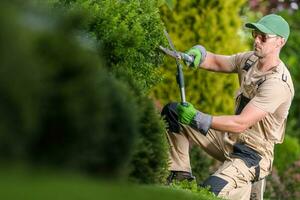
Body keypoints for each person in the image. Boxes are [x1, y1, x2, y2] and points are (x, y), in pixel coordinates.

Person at [161, 14, 294, 200]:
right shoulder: (249, 61)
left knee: (209, 191)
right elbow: (217, 61)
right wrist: (200, 55)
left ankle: (242, 190)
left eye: (263, 37)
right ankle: (180, 177)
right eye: (255, 34)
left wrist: (197, 118)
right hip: (229, 140)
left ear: (280, 42)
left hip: (252, 155)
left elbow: (241, 123)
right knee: (173, 112)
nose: (256, 40)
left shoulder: (277, 84)